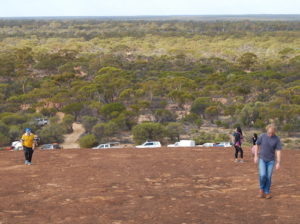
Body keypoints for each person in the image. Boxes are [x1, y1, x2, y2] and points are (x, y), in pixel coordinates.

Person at [254, 124, 282, 199]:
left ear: (274, 132)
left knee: (268, 177)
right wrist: (256, 156)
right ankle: (261, 189)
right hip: (262, 159)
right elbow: (257, 145)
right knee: (263, 175)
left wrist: (278, 162)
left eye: (272, 133)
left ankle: (267, 192)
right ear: (267, 131)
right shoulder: (262, 136)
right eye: (269, 133)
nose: (270, 134)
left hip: (271, 161)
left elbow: (278, 150)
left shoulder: (276, 139)